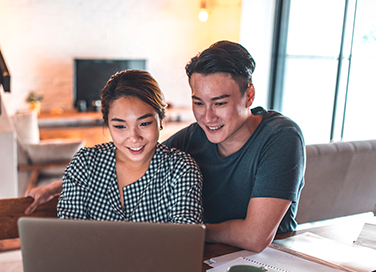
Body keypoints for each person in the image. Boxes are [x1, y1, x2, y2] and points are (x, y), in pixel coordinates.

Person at [25, 41, 304, 252]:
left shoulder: (280, 137)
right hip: (207, 257)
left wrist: (188, 232)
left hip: (270, 262)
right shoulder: (195, 136)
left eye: (220, 103)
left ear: (249, 95)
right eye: (198, 103)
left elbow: (255, 238)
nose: (207, 117)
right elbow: (135, 154)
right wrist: (55, 186)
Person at [55, 70, 203, 223]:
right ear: (107, 125)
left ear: (161, 119)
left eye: (144, 124)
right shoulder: (84, 163)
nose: (134, 138)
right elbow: (69, 233)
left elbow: (186, 237)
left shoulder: (180, 169)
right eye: (120, 126)